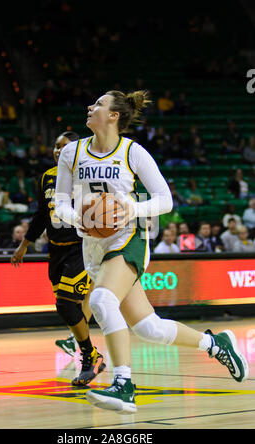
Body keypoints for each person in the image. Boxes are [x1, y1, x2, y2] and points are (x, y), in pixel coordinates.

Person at [54, 89, 249, 414]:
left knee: (102, 300)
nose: (90, 107)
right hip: (93, 244)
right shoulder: (71, 153)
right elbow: (60, 203)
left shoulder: (133, 152)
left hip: (129, 236)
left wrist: (130, 207)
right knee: (149, 328)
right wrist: (79, 217)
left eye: (99, 104)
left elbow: (165, 200)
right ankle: (216, 344)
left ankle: (123, 384)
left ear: (114, 115)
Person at [11, 131, 105, 386]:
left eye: (64, 146)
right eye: (55, 145)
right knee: (68, 306)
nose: (58, 150)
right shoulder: (46, 177)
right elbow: (41, 215)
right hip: (55, 250)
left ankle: (90, 355)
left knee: (66, 304)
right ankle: (86, 350)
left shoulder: (87, 175)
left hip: (82, 247)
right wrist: (24, 245)